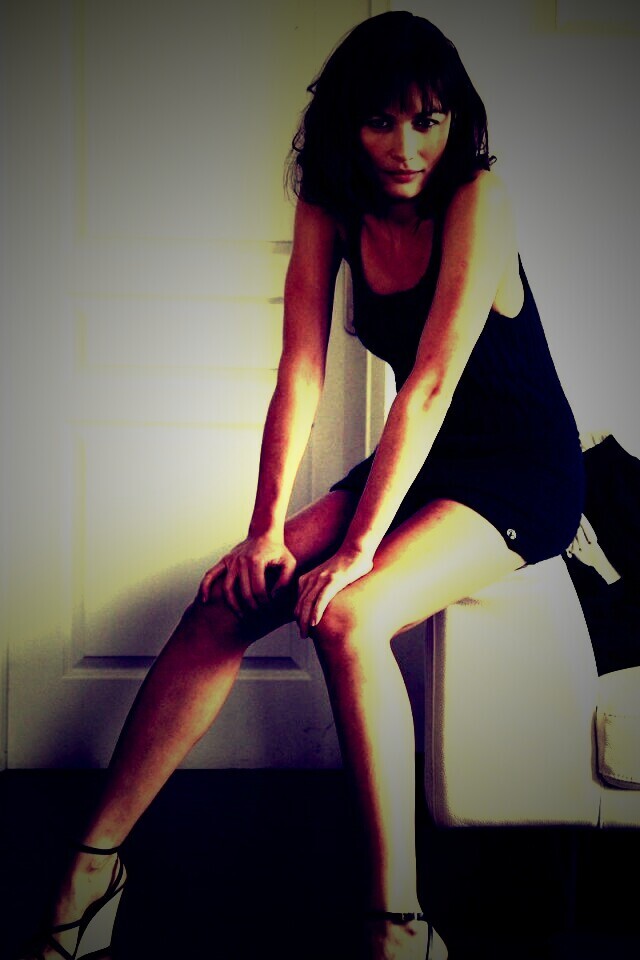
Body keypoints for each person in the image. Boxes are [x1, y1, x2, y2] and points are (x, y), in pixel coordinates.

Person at [21, 11, 584, 960]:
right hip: (429, 460)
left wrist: (358, 548)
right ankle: (95, 864)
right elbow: (301, 374)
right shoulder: (330, 206)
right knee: (226, 599)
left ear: (456, 122)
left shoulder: (479, 199)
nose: (406, 148)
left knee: (348, 616)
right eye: (381, 121)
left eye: (429, 121)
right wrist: (265, 531)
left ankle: (398, 927)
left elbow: (432, 383)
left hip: (522, 467)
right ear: (346, 123)